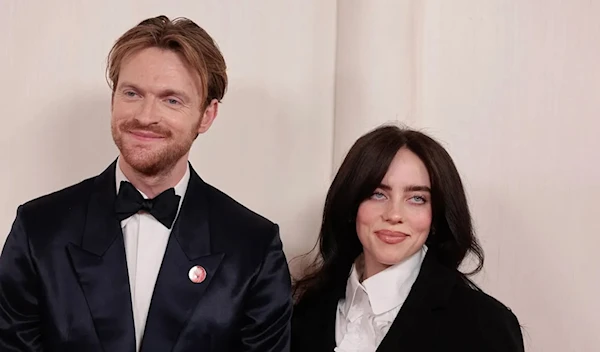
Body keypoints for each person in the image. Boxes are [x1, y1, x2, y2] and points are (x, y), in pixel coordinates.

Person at [0, 15, 292, 352]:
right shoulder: (38, 229)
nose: (145, 116)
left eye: (171, 100)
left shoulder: (253, 246)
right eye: (132, 93)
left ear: (207, 115)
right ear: (113, 99)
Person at [291, 125, 524, 351]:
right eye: (378, 194)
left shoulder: (484, 325)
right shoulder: (304, 314)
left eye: (417, 199)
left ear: (436, 216)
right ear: (352, 206)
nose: (394, 215)